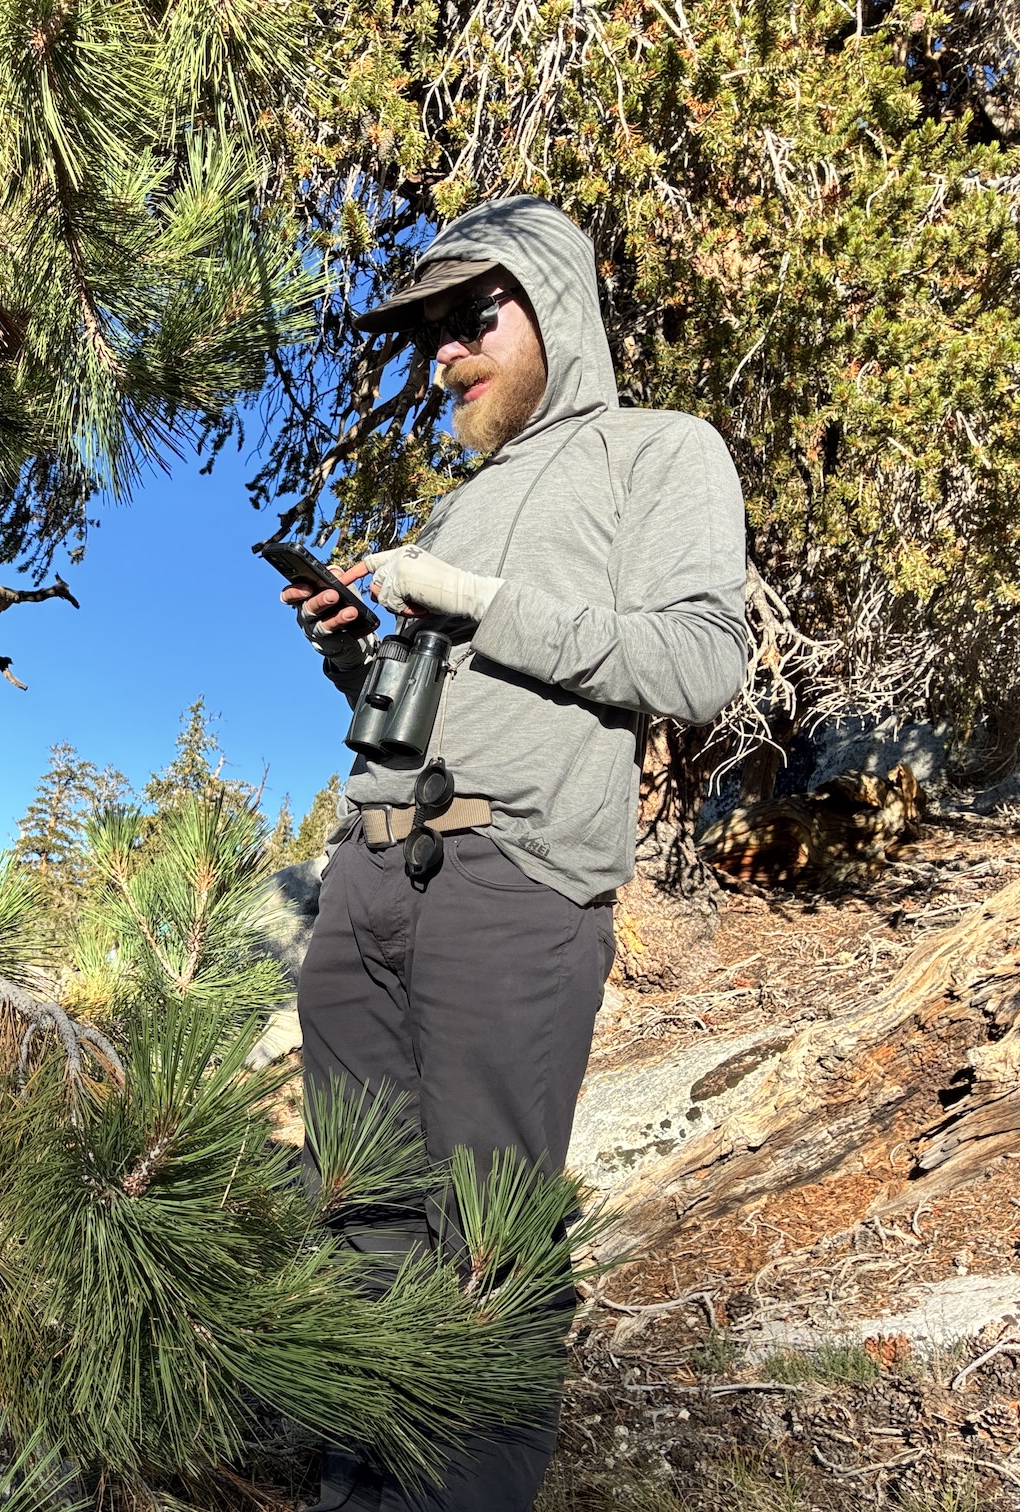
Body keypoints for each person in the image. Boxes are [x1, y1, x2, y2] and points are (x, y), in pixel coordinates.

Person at [280, 196, 749, 1510]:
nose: (443, 350)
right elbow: (434, 708)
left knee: (481, 1252)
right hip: (367, 879)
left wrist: (470, 599)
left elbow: (703, 659)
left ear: (555, 300)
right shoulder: (467, 501)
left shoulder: (659, 453)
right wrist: (352, 650)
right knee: (354, 1230)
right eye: (429, 331)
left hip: (515, 884)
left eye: (470, 315)